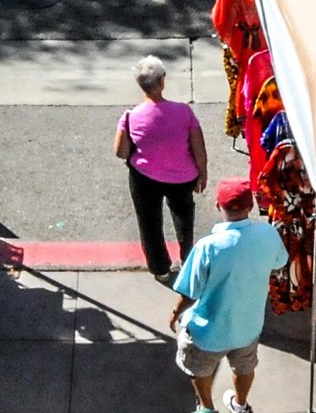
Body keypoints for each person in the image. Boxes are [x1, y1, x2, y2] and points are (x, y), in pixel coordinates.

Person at [169, 179, 288, 413]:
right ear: (251, 206)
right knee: (244, 368)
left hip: (207, 333)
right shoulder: (268, 234)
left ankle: (206, 408)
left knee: (200, 370)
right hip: (248, 327)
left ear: (217, 206)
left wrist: (175, 314)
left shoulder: (208, 247)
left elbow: (190, 292)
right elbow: (280, 263)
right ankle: (240, 405)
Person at [115, 55, 207, 281]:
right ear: (162, 82)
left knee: (149, 222)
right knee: (184, 217)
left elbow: (121, 152)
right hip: (183, 177)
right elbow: (198, 145)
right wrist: (202, 171)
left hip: (144, 178)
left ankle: (161, 269)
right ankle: (187, 261)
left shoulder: (130, 117)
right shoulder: (184, 112)